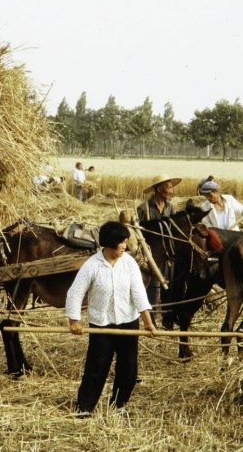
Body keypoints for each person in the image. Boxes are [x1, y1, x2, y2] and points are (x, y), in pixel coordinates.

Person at [66, 221, 156, 417]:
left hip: (128, 323)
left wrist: (148, 323)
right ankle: (85, 407)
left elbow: (139, 293)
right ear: (109, 244)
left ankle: (119, 405)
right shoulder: (92, 266)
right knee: (96, 367)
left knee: (128, 368)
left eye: (125, 242)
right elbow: (75, 293)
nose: (125, 246)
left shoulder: (129, 263)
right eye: (121, 242)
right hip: (102, 325)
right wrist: (74, 320)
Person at [137, 175, 182, 327]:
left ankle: (168, 320)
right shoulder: (144, 208)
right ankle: (151, 322)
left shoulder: (170, 207)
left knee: (169, 286)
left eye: (171, 187)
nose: (171, 191)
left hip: (168, 253)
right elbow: (138, 234)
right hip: (151, 254)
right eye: (168, 187)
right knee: (153, 288)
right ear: (158, 189)